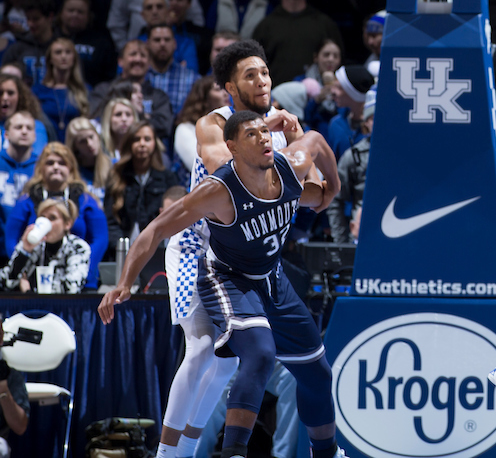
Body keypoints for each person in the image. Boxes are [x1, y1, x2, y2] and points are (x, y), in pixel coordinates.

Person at [98, 111, 341, 458]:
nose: (264, 138)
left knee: (317, 372)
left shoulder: (291, 166)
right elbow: (154, 230)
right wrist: (124, 283)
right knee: (256, 353)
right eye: (252, 135)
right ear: (232, 148)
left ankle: (327, 453)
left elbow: (316, 141)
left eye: (265, 131)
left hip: (271, 276)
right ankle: (228, 452)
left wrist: (333, 187)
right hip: (227, 277)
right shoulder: (218, 191)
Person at [158, 40, 330, 458]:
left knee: (230, 361)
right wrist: (281, 142)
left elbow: (317, 189)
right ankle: (167, 454)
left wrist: (305, 160)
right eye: (250, 74)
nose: (262, 81)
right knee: (199, 349)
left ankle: (191, 449)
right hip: (194, 245)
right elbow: (229, 169)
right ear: (228, 87)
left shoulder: (281, 126)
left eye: (265, 72)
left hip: (244, 250)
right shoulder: (213, 124)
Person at [5, 143, 107, 287]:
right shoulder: (26, 200)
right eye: (50, 163)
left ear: (70, 168)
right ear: (41, 168)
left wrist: (84, 271)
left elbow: (100, 238)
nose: (56, 167)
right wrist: (22, 272)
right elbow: (12, 239)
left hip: (79, 278)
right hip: (34, 281)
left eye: (62, 163)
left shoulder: (85, 199)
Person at [251, 0, 343, 83]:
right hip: (277, 95)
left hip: (317, 95)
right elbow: (253, 64)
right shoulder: (266, 26)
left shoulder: (324, 23)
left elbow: (340, 60)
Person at [89, 40, 173, 144]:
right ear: (120, 61)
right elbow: (94, 119)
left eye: (143, 55)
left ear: (149, 63)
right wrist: (143, 116)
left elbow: (164, 127)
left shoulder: (159, 96)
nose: (138, 59)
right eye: (133, 54)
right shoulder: (104, 90)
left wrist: (138, 114)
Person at [104, 122, 171, 250]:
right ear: (129, 144)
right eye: (136, 139)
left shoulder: (167, 178)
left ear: (154, 143)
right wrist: (120, 246)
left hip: (157, 249)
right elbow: (110, 220)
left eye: (147, 139)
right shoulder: (116, 177)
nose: (142, 144)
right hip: (122, 250)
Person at [0, 198, 89, 292]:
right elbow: (4, 282)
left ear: (67, 224)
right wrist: (24, 252)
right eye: (42, 217)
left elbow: (72, 288)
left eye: (52, 218)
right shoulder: (32, 243)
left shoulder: (78, 247)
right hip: (26, 306)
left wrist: (29, 293)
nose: (46, 223)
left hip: (63, 306)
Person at [330, 89, 372, 243]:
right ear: (366, 122)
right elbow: (336, 199)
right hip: (360, 237)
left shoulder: (399, 156)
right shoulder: (354, 155)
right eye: (374, 118)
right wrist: (340, 243)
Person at [33, 37, 90, 143]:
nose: (63, 56)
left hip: (75, 148)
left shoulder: (84, 90)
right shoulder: (38, 91)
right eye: (58, 52)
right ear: (50, 59)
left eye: (68, 52)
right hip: (45, 144)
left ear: (74, 58)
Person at [171, 76, 225, 177]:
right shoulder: (185, 129)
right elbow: (201, 165)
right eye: (218, 90)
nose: (226, 93)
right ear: (204, 98)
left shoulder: (228, 126)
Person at [145, 24, 199, 116]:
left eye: (167, 40)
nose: (162, 44)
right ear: (148, 44)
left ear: (174, 44)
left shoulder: (192, 79)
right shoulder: (141, 77)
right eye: (157, 40)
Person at [66, 116, 112, 205]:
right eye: (82, 141)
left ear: (98, 136)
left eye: (91, 137)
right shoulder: (70, 172)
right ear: (75, 147)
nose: (89, 144)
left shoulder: (113, 166)